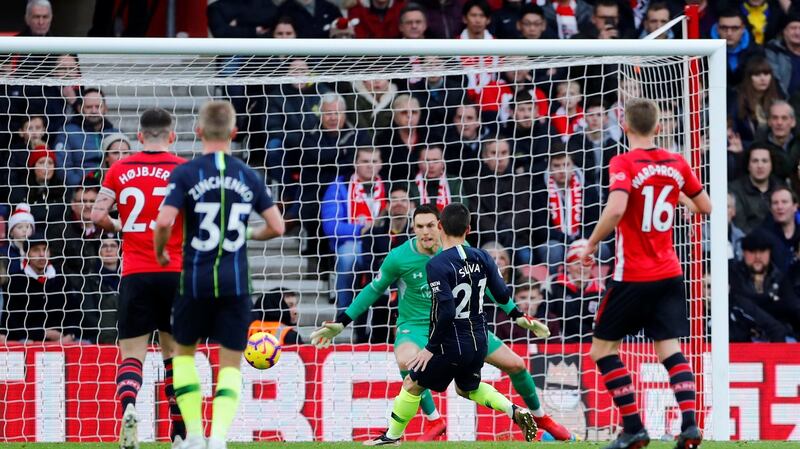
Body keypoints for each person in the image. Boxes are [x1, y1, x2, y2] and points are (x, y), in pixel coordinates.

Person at [311, 204, 572, 442]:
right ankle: (434, 421)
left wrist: (517, 315)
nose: (425, 232)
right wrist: (342, 322)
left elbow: (491, 288)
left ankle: (541, 417)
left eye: (430, 225)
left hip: (457, 325)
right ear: (413, 228)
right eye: (419, 226)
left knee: (516, 364)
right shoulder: (399, 257)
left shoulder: (458, 253)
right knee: (407, 361)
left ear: (440, 226)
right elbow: (373, 289)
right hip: (415, 326)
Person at [580, 98, 712, 449]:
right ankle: (690, 425)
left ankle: (634, 426)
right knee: (669, 349)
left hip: (633, 274)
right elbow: (705, 206)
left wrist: (590, 243)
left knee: (602, 351)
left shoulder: (623, 161)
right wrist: (676, 198)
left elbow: (618, 207)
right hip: (669, 272)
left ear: (624, 127)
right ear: (658, 127)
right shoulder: (677, 163)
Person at [154, 101, 285, 449]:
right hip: (236, 282)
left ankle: (194, 435)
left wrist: (160, 250)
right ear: (234, 133)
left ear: (198, 131)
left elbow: (164, 221)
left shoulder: (186, 172)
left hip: (194, 279)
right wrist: (250, 234)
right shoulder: (248, 174)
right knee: (230, 363)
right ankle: (218, 438)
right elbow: (278, 226)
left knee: (184, 355)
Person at [359, 203, 542, 445]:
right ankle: (515, 411)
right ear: (469, 228)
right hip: (479, 338)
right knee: (467, 388)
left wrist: (431, 348)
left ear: (441, 227)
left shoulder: (437, 264)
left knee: (412, 384)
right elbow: (501, 293)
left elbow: (445, 311)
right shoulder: (483, 256)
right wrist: (520, 316)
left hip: (451, 341)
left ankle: (391, 437)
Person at [90, 108, 187, 448]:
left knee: (132, 355)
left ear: (140, 137)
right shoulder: (182, 170)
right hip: (175, 272)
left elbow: (97, 214)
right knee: (176, 358)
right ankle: (178, 433)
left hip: (135, 273)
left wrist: (119, 226)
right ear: (171, 136)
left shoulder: (120, 168)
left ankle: (130, 407)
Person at [321, 147, 388, 313]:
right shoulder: (339, 186)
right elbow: (331, 226)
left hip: (384, 241)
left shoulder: (389, 186)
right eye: (365, 161)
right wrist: (363, 230)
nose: (370, 166)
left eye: (374, 161)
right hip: (353, 241)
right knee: (348, 257)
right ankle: (344, 312)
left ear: (381, 164)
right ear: (355, 163)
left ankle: (386, 312)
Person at [729, 230, 800, 342]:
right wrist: (771, 300)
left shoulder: (780, 278)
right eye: (752, 251)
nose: (757, 256)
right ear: (744, 252)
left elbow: (793, 306)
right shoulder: (733, 276)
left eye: (762, 251)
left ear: (769, 252)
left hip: (779, 338)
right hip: (744, 340)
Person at [54, 88, 121, 186]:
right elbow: (62, 168)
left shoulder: (117, 134)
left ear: (105, 109)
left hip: (111, 189)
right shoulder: (67, 133)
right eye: (89, 107)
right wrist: (83, 187)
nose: (94, 111)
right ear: (80, 109)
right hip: (80, 193)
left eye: (98, 106)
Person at [547, 239, 604, 343]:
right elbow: (547, 314)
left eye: (587, 263)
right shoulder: (554, 284)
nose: (582, 268)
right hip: (559, 341)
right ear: (568, 267)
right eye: (577, 263)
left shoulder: (600, 291)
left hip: (590, 342)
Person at [730, 142, 784, 233]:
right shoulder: (735, 189)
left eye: (764, 161)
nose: (760, 166)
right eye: (755, 161)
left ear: (771, 165)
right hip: (749, 243)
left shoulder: (781, 188)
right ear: (748, 165)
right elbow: (740, 226)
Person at [711, 9, 764, 87]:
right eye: (724, 28)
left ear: (743, 29)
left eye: (735, 28)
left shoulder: (757, 52)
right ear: (717, 29)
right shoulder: (705, 52)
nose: (729, 33)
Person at [758, 187, 800, 274]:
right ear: (771, 209)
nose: (780, 207)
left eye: (784, 202)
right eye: (775, 203)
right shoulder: (762, 236)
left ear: (795, 207)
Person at [408, 145, 463, 211]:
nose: (431, 165)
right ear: (419, 163)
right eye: (427, 160)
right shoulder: (409, 185)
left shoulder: (454, 182)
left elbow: (461, 210)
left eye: (435, 160)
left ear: (443, 163)